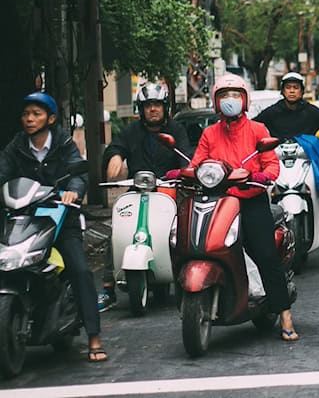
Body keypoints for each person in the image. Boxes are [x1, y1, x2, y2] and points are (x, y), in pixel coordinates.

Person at [189, 74, 299, 341]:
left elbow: (271, 164)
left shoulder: (258, 130)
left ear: (244, 100)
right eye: (224, 96)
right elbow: (197, 163)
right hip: (218, 202)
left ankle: (284, 314)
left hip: (251, 200)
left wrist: (262, 176)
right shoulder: (209, 133)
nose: (230, 101)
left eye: (235, 95)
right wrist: (185, 172)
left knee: (265, 255)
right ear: (216, 102)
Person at [0, 93, 108, 362]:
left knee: (80, 270)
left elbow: (78, 173)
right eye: (26, 114)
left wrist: (73, 191)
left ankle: (94, 337)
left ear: (50, 118)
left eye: (36, 114)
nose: (29, 119)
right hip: (23, 217)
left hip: (61, 218)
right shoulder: (16, 146)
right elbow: (3, 172)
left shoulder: (63, 143)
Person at [97, 82, 191, 312]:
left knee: (183, 229)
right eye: (148, 105)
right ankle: (109, 288)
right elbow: (116, 146)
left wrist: (183, 173)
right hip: (137, 191)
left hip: (169, 190)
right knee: (116, 229)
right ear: (141, 108)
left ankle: (185, 274)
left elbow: (186, 155)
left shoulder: (176, 129)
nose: (153, 109)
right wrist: (115, 157)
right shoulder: (131, 131)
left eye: (158, 105)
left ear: (165, 107)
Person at [254, 72, 319, 144]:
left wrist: (316, 145)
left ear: (302, 91)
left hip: (307, 160)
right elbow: (250, 128)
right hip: (278, 160)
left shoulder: (312, 111)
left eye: (296, 88)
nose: (292, 91)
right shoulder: (272, 112)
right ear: (283, 91)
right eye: (288, 87)